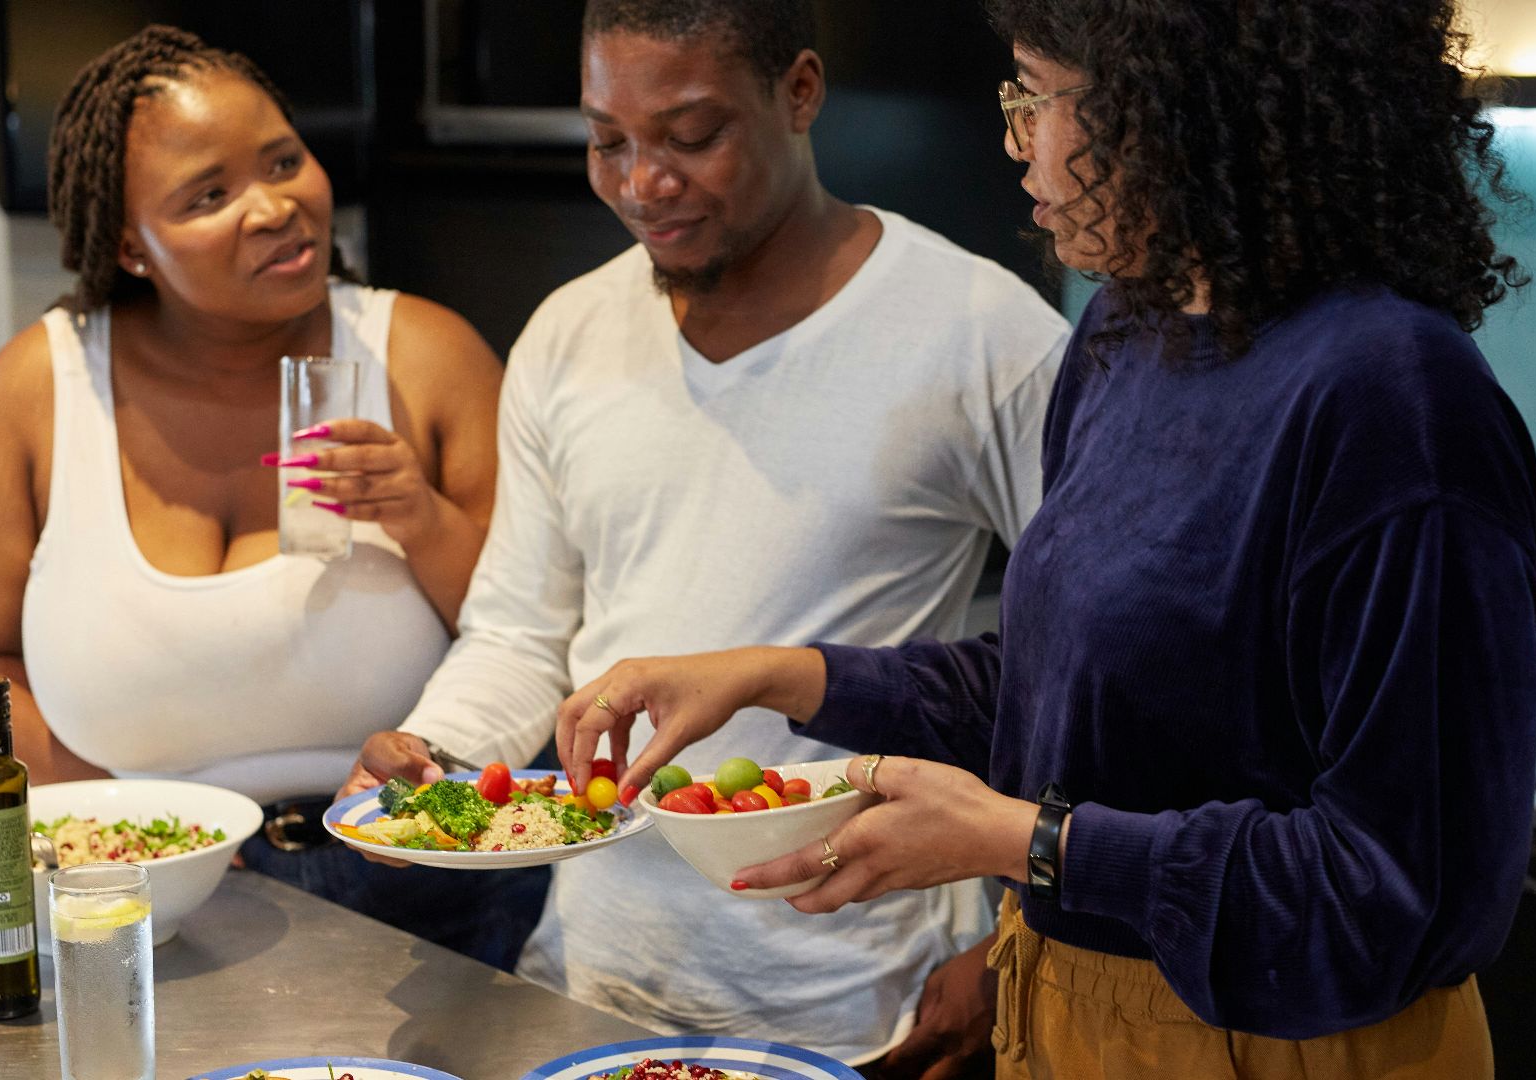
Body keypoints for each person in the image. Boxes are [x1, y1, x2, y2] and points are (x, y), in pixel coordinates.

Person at [559, 1, 1536, 1077]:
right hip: (1074, 1020)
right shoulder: (1128, 332)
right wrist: (780, 676)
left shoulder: (1392, 395)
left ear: (1170, 105)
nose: (1016, 137)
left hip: (1291, 1047)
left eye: (1036, 96)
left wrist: (1024, 842)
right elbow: (1066, 695)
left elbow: (1400, 892)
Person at [340, 0, 1069, 1064]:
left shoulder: (982, 332)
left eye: (691, 137)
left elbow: (1078, 665)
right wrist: (436, 763)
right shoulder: (568, 333)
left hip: (859, 1007)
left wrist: (1019, 935)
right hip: (588, 985)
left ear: (801, 92)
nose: (642, 183)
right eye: (608, 140)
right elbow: (518, 632)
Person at [0, 25, 541, 970]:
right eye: (211, 194)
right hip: (151, 899)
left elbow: (527, 632)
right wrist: (136, 825)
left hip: (426, 875)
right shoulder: (45, 384)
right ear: (129, 244)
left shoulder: (427, 356)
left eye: (285, 161)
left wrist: (419, 517)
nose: (275, 207)